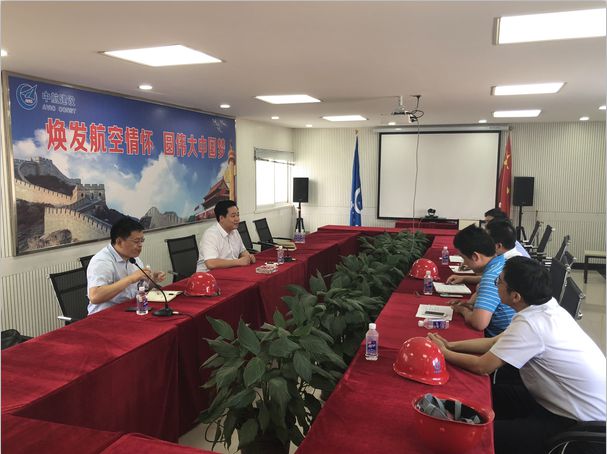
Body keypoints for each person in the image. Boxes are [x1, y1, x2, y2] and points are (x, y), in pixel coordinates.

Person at [428, 257, 606, 454]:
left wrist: (444, 353)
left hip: (578, 426)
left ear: (515, 296)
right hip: (555, 401)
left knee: (478, 436)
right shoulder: (544, 309)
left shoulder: (533, 324)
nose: (496, 285)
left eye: (499, 282)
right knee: (479, 396)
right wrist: (450, 345)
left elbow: (482, 366)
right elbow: (494, 342)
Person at [87, 217, 166, 315]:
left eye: (142, 241)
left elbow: (140, 290)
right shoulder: (102, 261)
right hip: (105, 316)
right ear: (119, 242)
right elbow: (95, 296)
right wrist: (130, 279)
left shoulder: (133, 258)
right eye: (136, 241)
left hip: (130, 309)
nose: (140, 245)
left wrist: (152, 281)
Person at [447, 225, 515, 336]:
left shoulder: (491, 278)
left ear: (475, 256)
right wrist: (469, 305)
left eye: (464, 258)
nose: (464, 263)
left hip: (499, 338)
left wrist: (462, 310)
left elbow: (479, 323)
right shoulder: (501, 262)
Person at [196, 200, 256, 272]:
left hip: (230, 271)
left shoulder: (235, 231)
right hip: (209, 275)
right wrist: (238, 262)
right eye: (233, 216)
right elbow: (211, 263)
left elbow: (242, 251)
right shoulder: (210, 235)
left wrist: (248, 257)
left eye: (238, 215)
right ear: (221, 218)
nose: (237, 219)